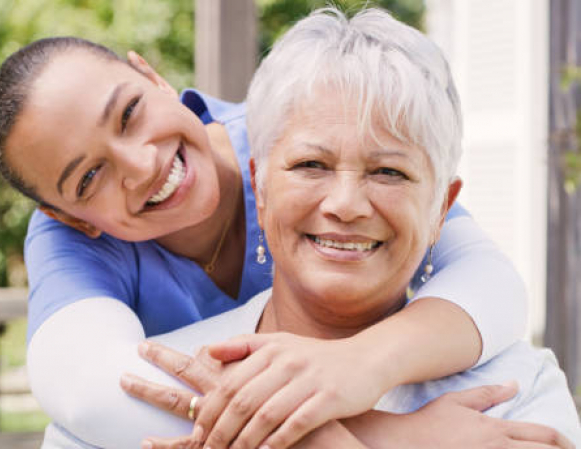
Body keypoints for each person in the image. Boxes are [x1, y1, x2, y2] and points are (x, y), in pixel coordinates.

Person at [0, 10, 530, 449]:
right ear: (71, 217)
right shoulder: (70, 245)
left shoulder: (308, 138)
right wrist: (385, 436)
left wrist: (360, 364)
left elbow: (489, 281)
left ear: (153, 77)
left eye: (129, 113)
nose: (142, 163)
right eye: (91, 177)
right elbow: (89, 393)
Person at [110, 7, 580, 448]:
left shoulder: (516, 391)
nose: (346, 205)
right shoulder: (156, 387)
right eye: (312, 164)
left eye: (388, 172)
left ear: (442, 208)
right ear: (260, 184)